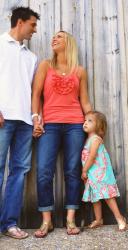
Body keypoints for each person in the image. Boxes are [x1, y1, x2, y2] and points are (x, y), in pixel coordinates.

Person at [32, 31, 92, 237]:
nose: (54, 39)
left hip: (75, 124)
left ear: (69, 43)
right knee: (44, 171)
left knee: (73, 171)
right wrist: (36, 118)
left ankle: (70, 219)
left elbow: (84, 100)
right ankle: (46, 221)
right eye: (53, 37)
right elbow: (36, 94)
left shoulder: (80, 71)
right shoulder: (45, 66)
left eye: (60, 37)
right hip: (50, 125)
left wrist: (91, 122)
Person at [0, 7, 40, 239]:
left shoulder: (31, 56)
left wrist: (35, 117)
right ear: (20, 22)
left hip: (25, 121)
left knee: (19, 172)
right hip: (3, 117)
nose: (34, 30)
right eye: (32, 25)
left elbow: (33, 92)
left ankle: (9, 223)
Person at [81, 111, 127, 231]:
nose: (85, 123)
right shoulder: (88, 139)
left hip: (100, 173)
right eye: (85, 120)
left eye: (90, 121)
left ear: (98, 125)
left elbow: (92, 157)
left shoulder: (96, 139)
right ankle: (98, 219)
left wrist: (84, 170)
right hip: (93, 173)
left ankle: (120, 218)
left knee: (108, 196)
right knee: (95, 197)